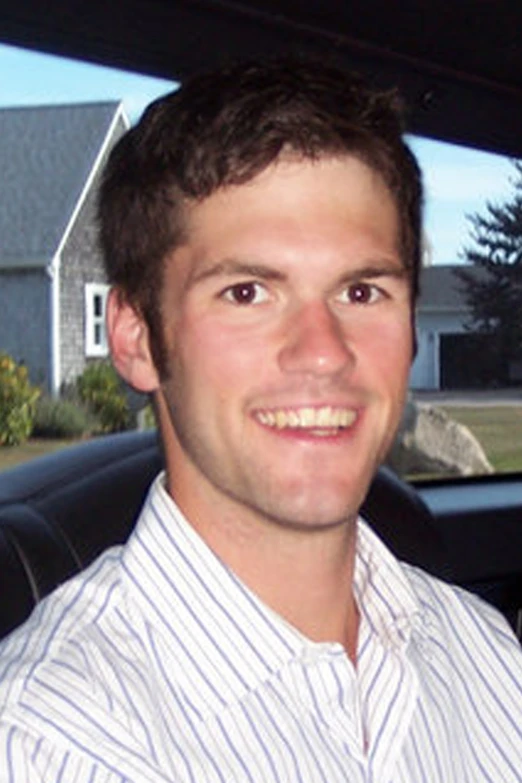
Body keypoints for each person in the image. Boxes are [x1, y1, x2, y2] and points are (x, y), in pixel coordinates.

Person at [0, 57, 521, 783]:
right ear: (135, 337)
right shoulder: (53, 741)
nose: (323, 352)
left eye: (362, 290)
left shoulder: (486, 654)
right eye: (247, 291)